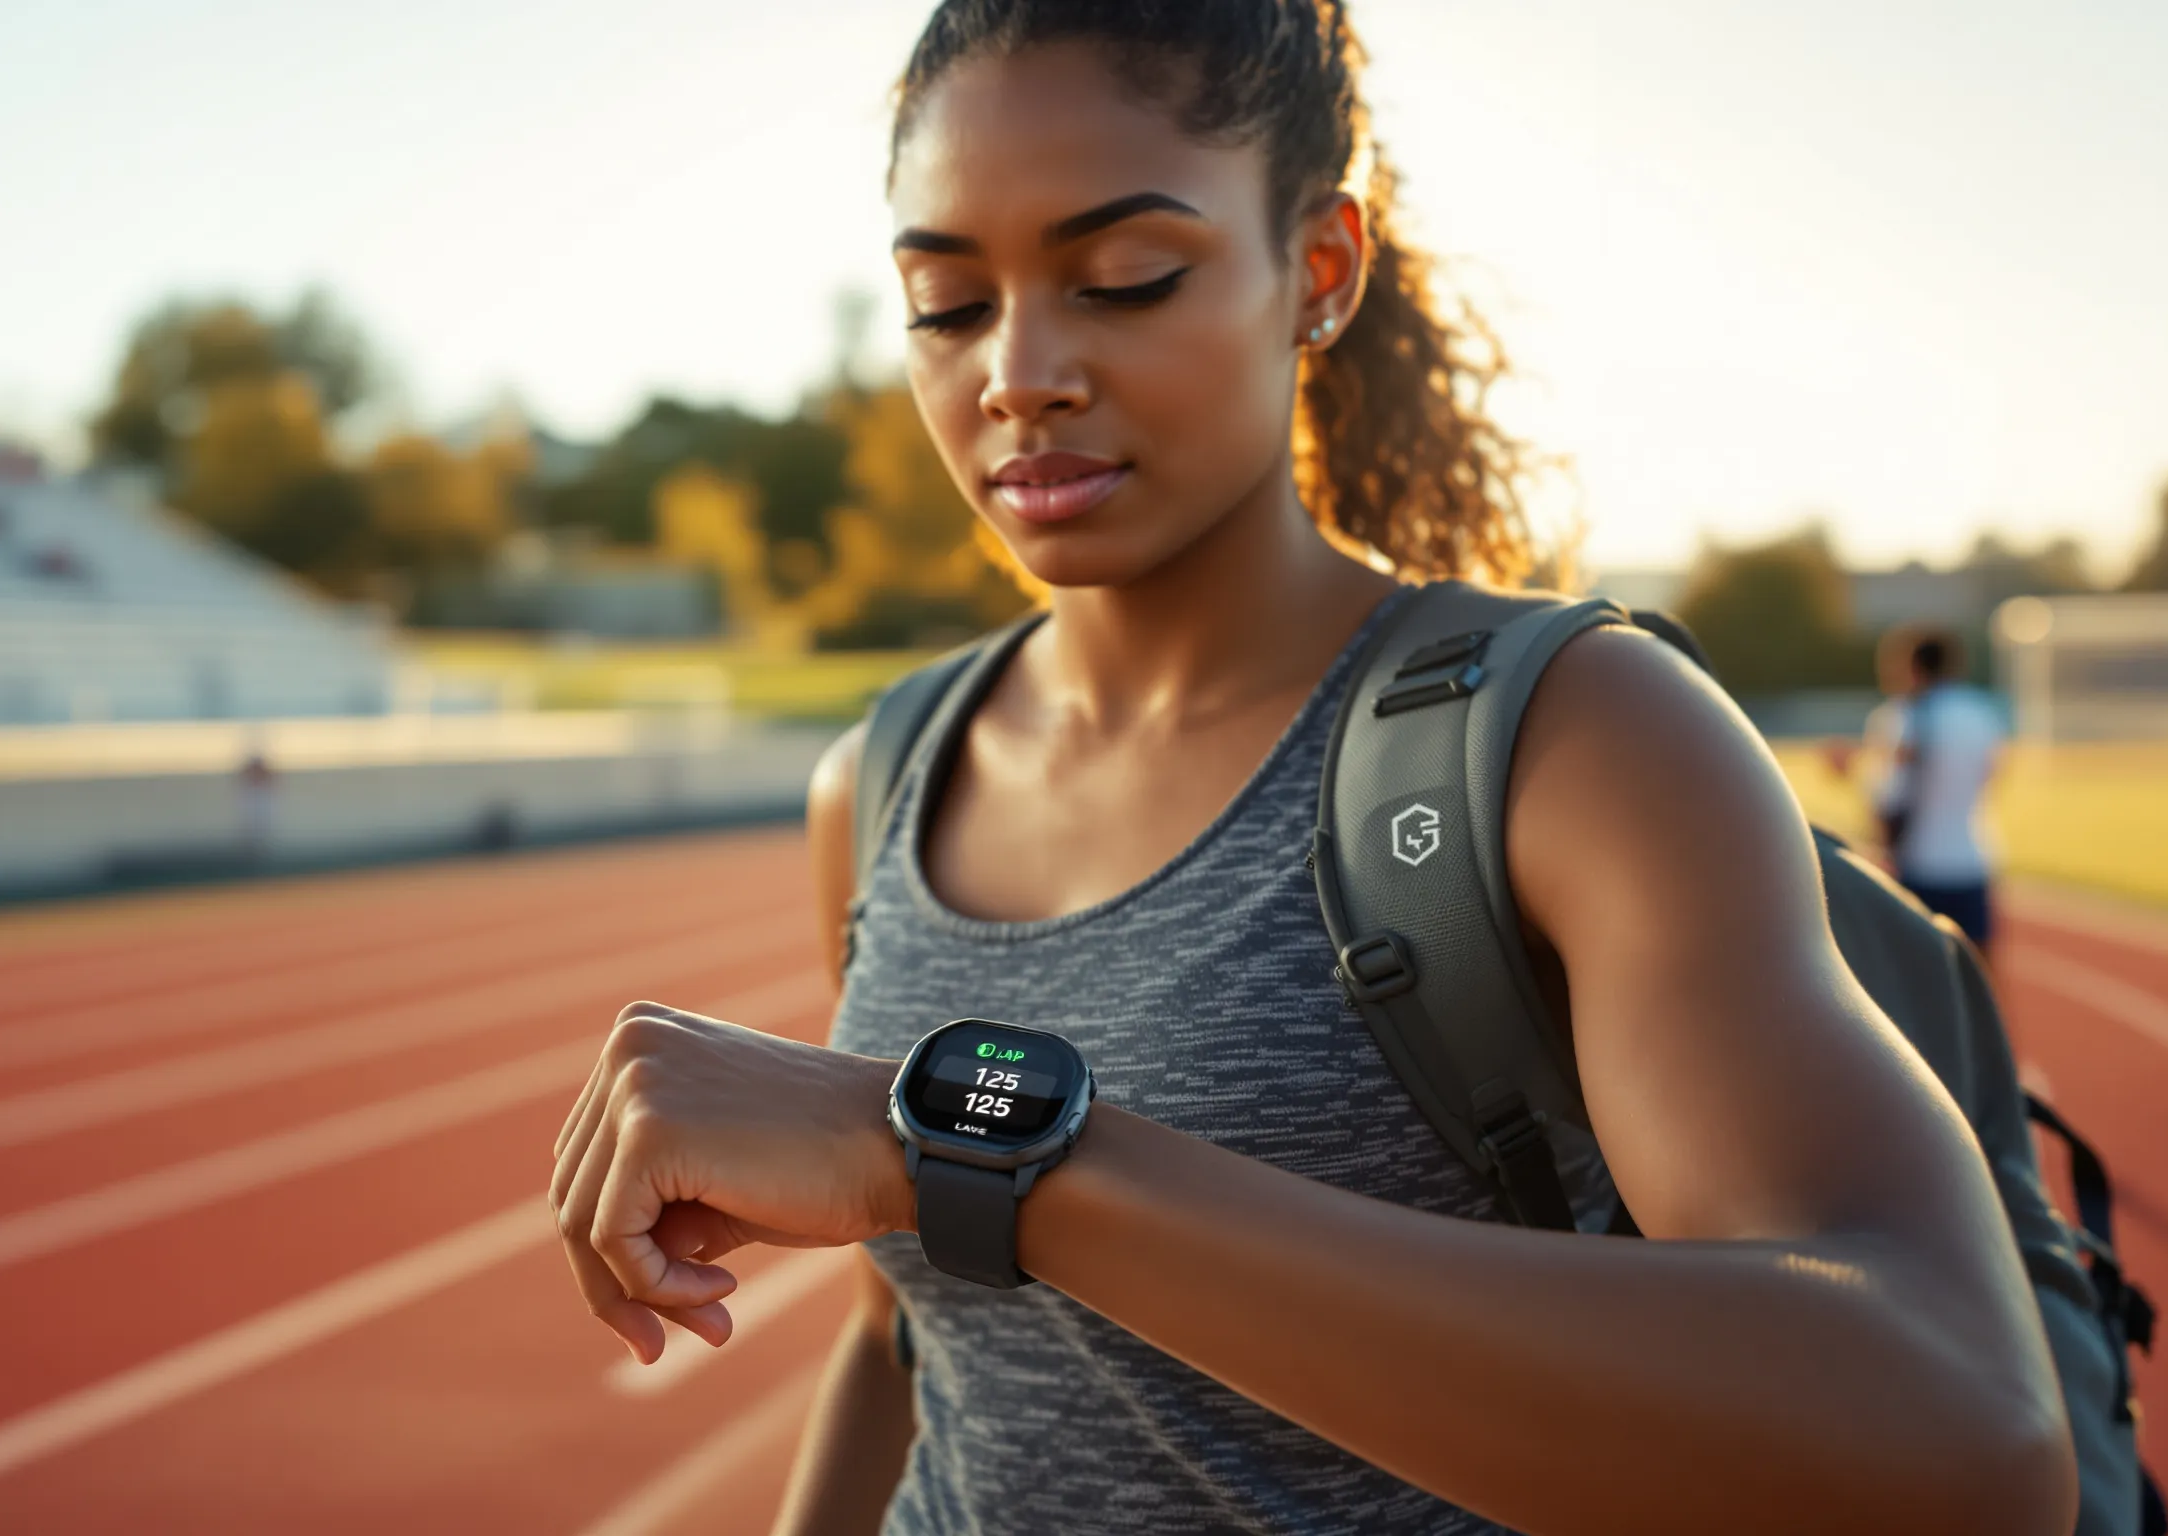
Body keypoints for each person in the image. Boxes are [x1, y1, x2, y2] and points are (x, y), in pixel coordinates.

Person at [548, 4, 2076, 1532]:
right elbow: (907, 1336)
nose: (1018, 371)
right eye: (946, 301)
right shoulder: (882, 778)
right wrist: (936, 1183)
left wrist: (966, 1146)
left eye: (1123, 277)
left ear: (1322, 270)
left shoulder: (1578, 738)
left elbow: (1960, 1438)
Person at [1866, 625, 2008, 951]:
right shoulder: (1982, 714)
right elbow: (1990, 776)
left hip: (1918, 866)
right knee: (1977, 980)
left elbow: (1888, 797)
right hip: (1972, 859)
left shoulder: (1902, 717)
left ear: (1913, 667)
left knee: (1912, 980)